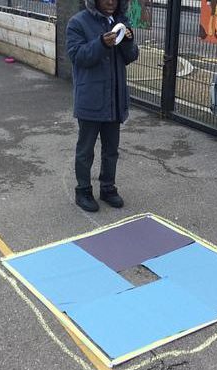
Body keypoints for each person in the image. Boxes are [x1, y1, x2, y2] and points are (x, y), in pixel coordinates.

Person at [66, 0, 139, 212]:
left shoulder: (120, 21)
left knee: (111, 150)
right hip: (91, 98)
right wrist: (101, 44)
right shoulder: (78, 22)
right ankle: (83, 191)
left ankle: (108, 188)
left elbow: (131, 56)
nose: (110, 2)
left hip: (114, 99)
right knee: (85, 150)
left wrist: (128, 41)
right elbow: (77, 56)